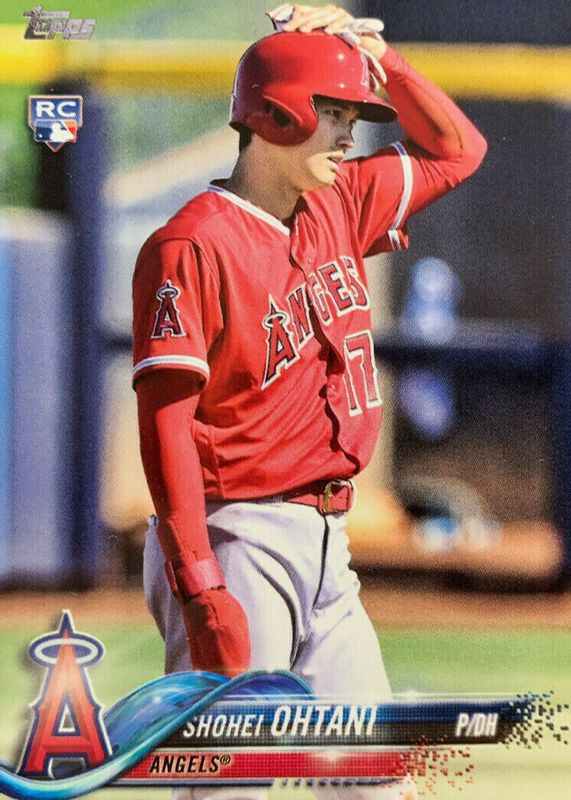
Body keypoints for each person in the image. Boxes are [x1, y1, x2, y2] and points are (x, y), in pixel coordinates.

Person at [132, 5, 487, 798]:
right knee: (230, 785)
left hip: (328, 539)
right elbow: (165, 425)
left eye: (354, 118)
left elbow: (459, 150)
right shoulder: (191, 244)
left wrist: (380, 58)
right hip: (235, 535)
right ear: (277, 113)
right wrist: (199, 582)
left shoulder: (340, 201)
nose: (348, 135)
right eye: (334, 114)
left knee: (374, 781)